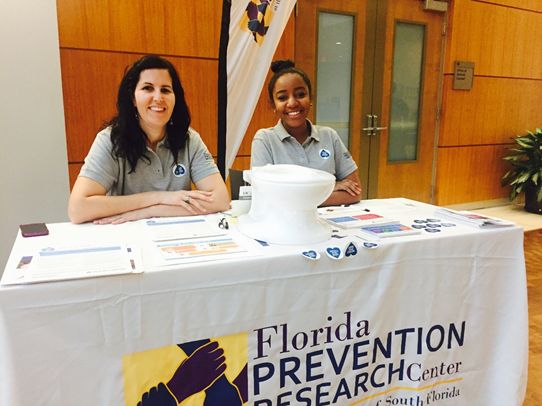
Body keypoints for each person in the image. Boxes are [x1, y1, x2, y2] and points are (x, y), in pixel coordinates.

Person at [68, 55, 229, 224]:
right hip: (127, 233)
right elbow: (78, 209)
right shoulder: (110, 140)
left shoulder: (190, 139)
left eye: (165, 90)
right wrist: (159, 197)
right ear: (133, 98)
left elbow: (221, 200)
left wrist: (150, 211)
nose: (158, 97)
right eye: (148, 88)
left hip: (179, 233)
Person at [251, 59, 362, 206]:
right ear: (273, 104)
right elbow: (267, 197)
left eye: (300, 94)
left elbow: (355, 193)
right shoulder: (265, 140)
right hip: (286, 220)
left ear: (311, 98)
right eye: (282, 97)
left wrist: (297, 198)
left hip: (330, 219)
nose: (292, 103)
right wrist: (328, 188)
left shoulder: (329, 136)